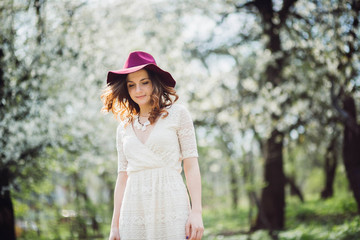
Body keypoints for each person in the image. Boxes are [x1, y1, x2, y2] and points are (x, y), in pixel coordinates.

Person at [101, 51, 204, 240]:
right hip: (134, 208)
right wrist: (115, 225)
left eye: (144, 82)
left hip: (172, 203)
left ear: (155, 82)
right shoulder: (123, 127)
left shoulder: (178, 114)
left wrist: (196, 212)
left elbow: (191, 165)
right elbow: (122, 177)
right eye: (131, 85)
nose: (138, 90)